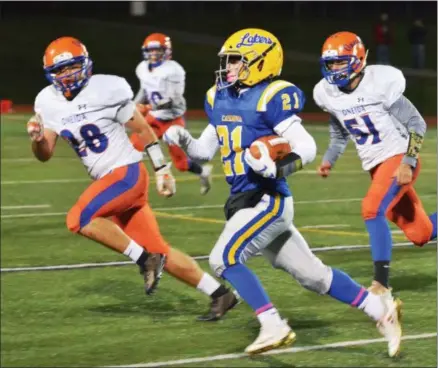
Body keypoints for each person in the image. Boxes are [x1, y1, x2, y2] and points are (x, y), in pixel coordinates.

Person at [164, 28, 403, 357]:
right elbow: (206, 150)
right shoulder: (219, 97)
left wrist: (275, 168)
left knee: (224, 258)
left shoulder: (269, 97)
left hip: (267, 199)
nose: (229, 67)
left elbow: (306, 147)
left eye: (237, 61)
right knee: (314, 277)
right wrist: (183, 140)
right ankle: (380, 310)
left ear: (261, 63)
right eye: (228, 61)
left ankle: (273, 324)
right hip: (243, 200)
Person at [27, 36, 238, 321]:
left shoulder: (106, 88)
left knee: (78, 218)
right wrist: (38, 139)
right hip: (112, 180)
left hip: (126, 172)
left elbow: (141, 129)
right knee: (159, 248)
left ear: (85, 65)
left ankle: (144, 260)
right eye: (60, 70)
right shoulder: (47, 101)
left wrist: (162, 168)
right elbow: (45, 154)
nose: (66, 75)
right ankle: (220, 294)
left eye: (72, 67)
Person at [314, 30, 437, 318]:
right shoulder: (327, 93)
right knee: (421, 233)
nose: (334, 69)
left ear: (357, 60)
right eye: (330, 64)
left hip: (397, 158)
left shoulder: (379, 83)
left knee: (371, 210)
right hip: (376, 165)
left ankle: (381, 286)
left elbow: (417, 123)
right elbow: (339, 131)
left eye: (339, 62)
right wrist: (329, 158)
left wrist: (408, 161)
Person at [132, 33, 213, 195]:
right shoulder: (142, 68)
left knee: (181, 164)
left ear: (166, 51)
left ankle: (203, 172)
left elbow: (171, 101)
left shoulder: (174, 70)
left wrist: (147, 107)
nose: (154, 54)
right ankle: (133, 186)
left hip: (172, 120)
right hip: (154, 117)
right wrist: (134, 105)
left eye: (157, 50)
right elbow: (144, 89)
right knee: (133, 146)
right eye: (151, 51)